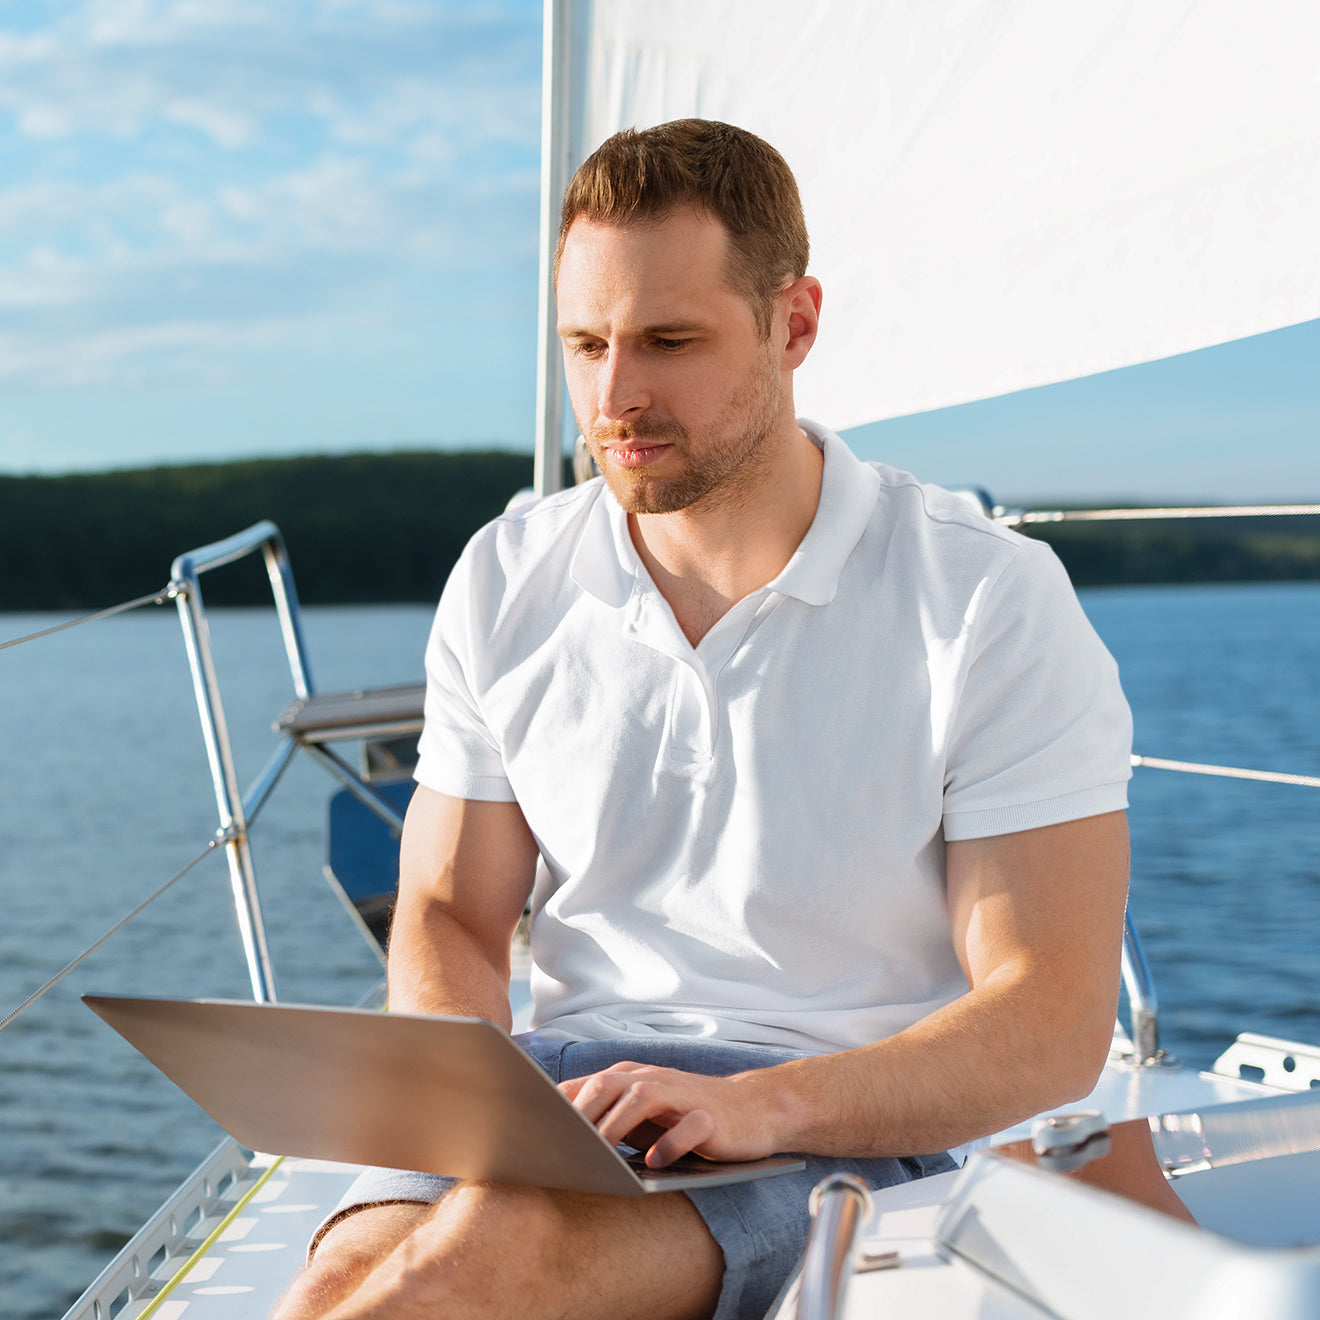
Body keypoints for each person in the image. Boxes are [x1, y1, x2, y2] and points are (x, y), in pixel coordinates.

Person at [274, 119, 1132, 1320]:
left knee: (478, 1270)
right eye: (586, 345)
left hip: (846, 1127)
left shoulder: (983, 600)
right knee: (347, 1281)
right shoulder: (507, 575)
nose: (615, 398)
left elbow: (1050, 1021)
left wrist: (759, 1105)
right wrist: (465, 1097)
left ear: (795, 323)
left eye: (668, 341)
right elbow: (446, 910)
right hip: (558, 1093)